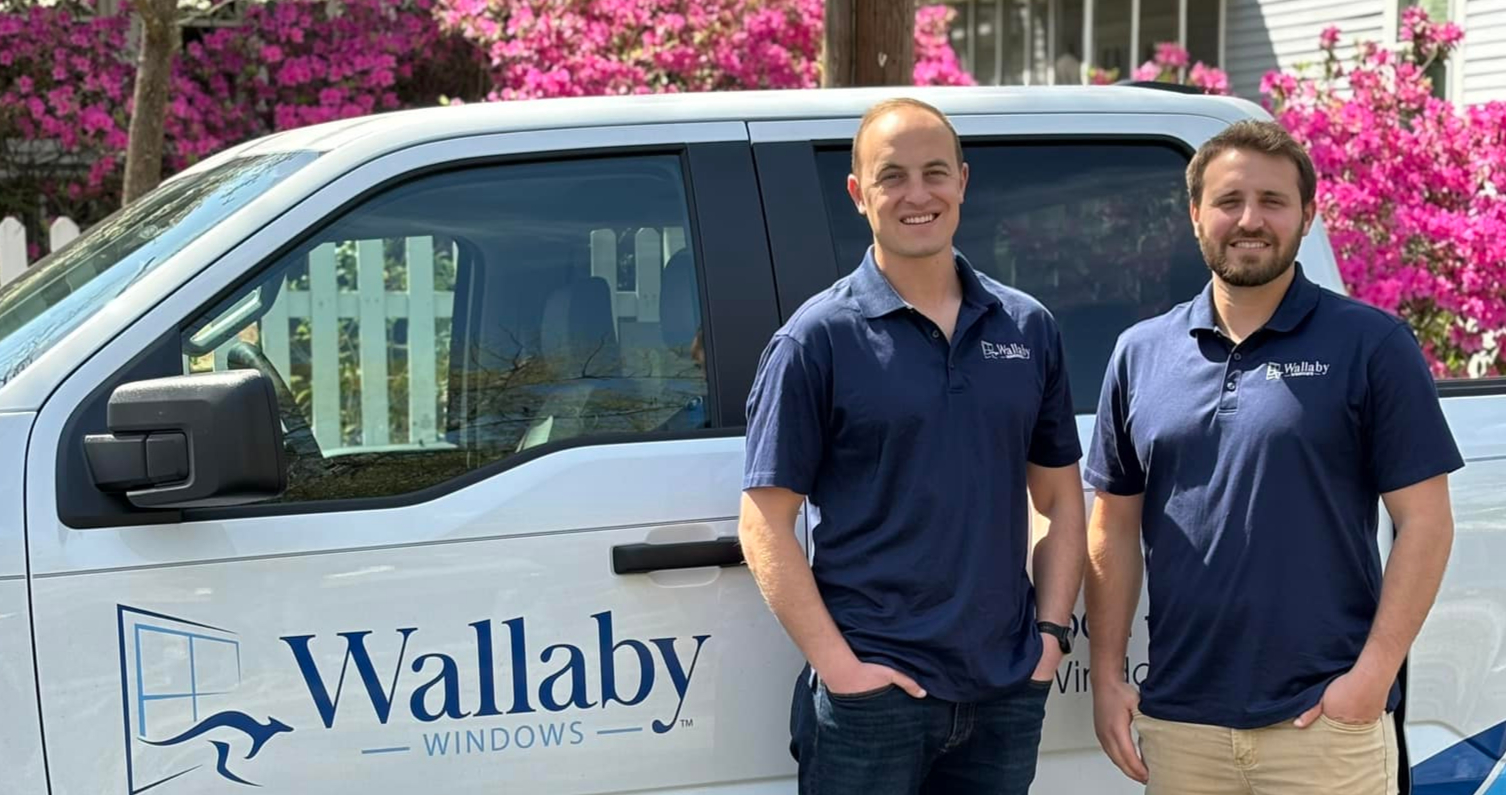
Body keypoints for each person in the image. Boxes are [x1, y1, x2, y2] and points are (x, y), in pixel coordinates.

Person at [1083, 120, 1462, 795]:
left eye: (1273, 201)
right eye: (1228, 200)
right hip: (1181, 725)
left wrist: (1371, 678)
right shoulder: (1140, 353)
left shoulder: (1371, 344)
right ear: (1196, 213)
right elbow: (1111, 524)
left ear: (1308, 214)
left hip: (1321, 724)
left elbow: (1427, 522)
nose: (1249, 219)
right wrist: (1107, 676)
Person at [738, 97, 1087, 795]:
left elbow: (1057, 497)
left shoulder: (1028, 326)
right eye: (892, 176)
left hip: (1003, 690)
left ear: (963, 180)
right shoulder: (818, 338)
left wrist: (1048, 638)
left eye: (934, 172)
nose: (917, 194)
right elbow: (765, 520)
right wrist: (841, 669)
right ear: (858, 193)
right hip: (874, 697)